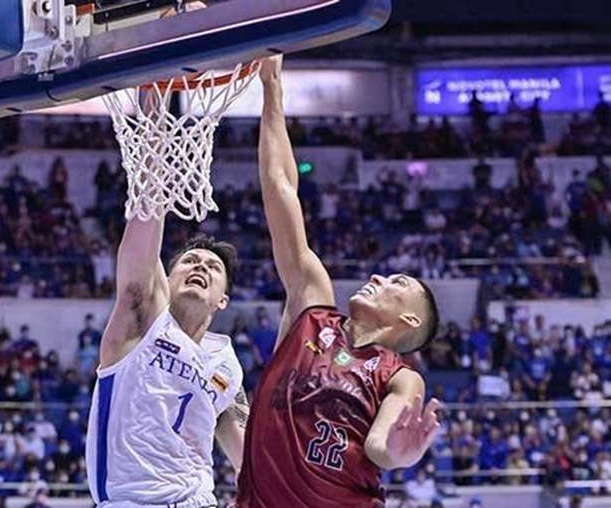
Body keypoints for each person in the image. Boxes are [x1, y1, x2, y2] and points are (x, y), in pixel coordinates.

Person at [236, 56, 441, 508]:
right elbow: (279, 187)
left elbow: (379, 446)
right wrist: (272, 90)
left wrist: (398, 453)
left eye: (395, 281)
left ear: (408, 318)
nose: (376, 276)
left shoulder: (401, 378)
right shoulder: (311, 307)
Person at [85, 184, 247, 503]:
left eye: (213, 267)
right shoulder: (142, 324)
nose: (201, 266)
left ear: (223, 300)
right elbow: (142, 226)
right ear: (167, 282)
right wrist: (154, 149)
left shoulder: (228, 367)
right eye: (189, 261)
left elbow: (252, 459)